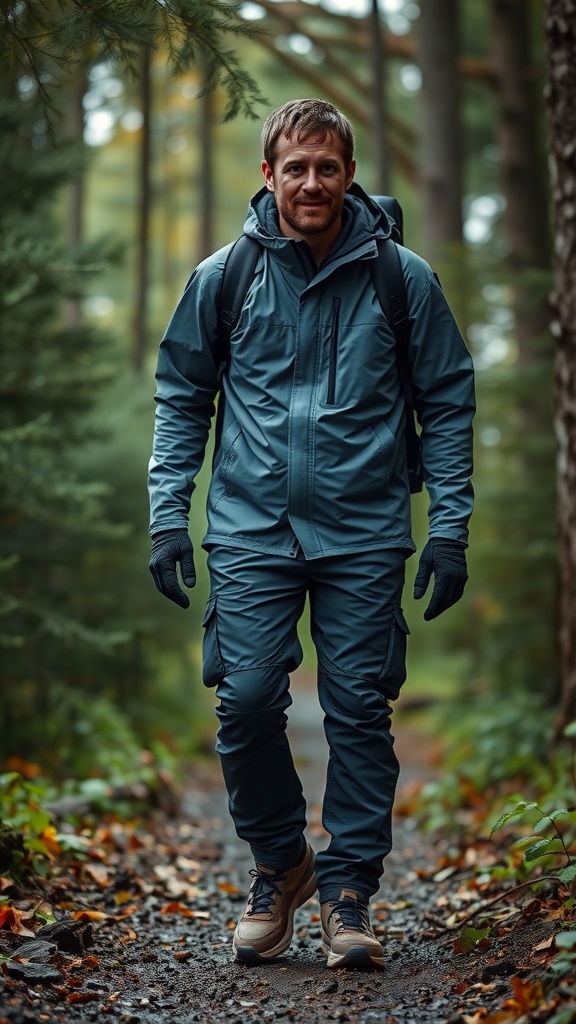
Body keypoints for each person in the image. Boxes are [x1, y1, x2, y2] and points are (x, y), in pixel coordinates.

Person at [148, 98, 475, 971]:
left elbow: (446, 401)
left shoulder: (401, 279)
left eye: (328, 166)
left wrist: (449, 527)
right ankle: (282, 864)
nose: (312, 182)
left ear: (350, 173)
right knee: (248, 700)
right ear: (268, 175)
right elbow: (182, 396)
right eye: (295, 166)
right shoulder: (225, 276)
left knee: (360, 710)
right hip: (252, 527)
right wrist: (166, 518)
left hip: (366, 531)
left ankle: (348, 894)